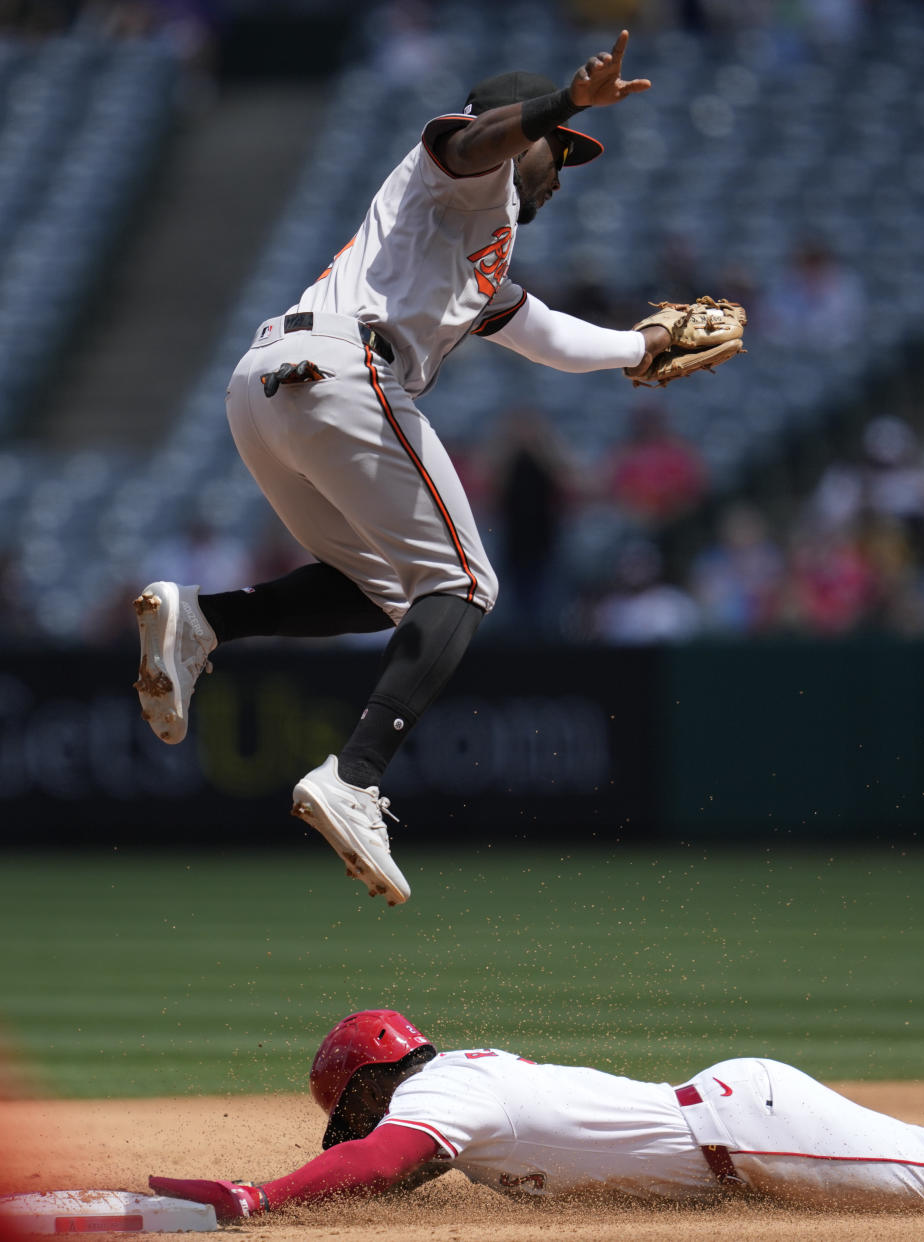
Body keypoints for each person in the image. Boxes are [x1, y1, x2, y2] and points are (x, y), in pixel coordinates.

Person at [133, 31, 671, 907]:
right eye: (559, 151)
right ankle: (354, 776)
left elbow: (548, 336)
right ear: (521, 129)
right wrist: (562, 104)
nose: (561, 169)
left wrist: (639, 347)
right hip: (345, 373)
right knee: (463, 586)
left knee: (390, 592)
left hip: (268, 389)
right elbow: (478, 140)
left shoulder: (475, 250)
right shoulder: (462, 172)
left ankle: (205, 621)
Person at [149, 1008, 924, 1217]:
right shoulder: (459, 1094)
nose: (355, 1128)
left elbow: (378, 1161)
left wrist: (261, 1198)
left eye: (351, 1110)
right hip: (736, 1131)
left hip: (750, 1132)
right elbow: (381, 1178)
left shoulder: (440, 1094)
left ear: (374, 1084)